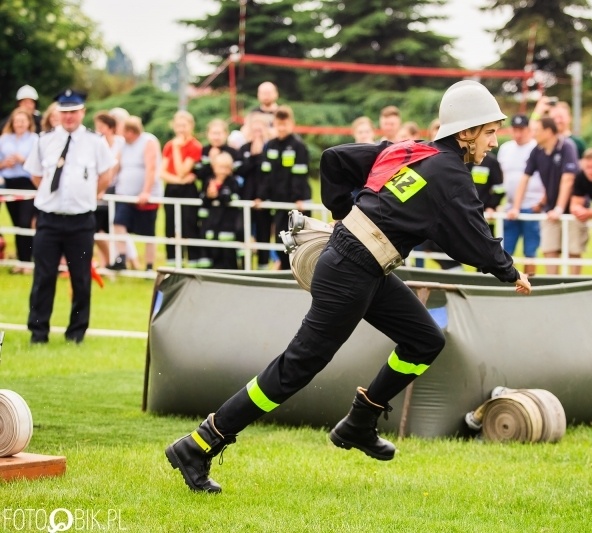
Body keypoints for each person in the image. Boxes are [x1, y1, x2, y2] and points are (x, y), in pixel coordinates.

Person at [165, 80, 532, 493]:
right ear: (465, 133)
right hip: (351, 269)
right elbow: (473, 235)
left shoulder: (410, 150)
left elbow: (335, 159)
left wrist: (346, 213)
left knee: (425, 340)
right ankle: (199, 444)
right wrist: (508, 270)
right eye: (490, 131)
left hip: (361, 264)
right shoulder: (451, 174)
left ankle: (360, 421)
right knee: (297, 367)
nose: (495, 141)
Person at [23, 89, 114, 344]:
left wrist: (86, 196)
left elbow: (106, 174)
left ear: (82, 112)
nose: (69, 117)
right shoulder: (44, 140)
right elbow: (36, 175)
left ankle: (76, 333)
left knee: (81, 278)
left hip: (81, 221)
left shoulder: (95, 142)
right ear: (58, 113)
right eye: (64, 112)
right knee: (44, 276)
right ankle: (38, 333)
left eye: (74, 112)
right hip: (49, 219)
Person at [508, 116, 585, 275]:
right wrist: (516, 207)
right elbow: (525, 178)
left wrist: (559, 208)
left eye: (537, 130)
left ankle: (575, 287)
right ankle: (553, 287)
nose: (534, 133)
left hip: (573, 209)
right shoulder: (537, 150)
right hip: (550, 208)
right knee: (550, 249)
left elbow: (568, 179)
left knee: (573, 249)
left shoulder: (567, 146)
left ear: (549, 131)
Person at [258, 105, 310, 270]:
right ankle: (284, 269)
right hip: (277, 201)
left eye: (284, 124)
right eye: (278, 124)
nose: (281, 128)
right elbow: (265, 174)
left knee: (298, 239)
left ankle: (298, 271)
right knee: (281, 238)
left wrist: (298, 198)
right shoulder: (270, 145)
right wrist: (261, 196)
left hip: (295, 203)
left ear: (291, 124)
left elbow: (300, 175)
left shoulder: (298, 146)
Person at [110, 116, 162, 271]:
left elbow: (151, 168)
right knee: (118, 223)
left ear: (131, 131)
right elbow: (115, 166)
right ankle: (121, 257)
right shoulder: (123, 145)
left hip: (145, 197)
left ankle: (149, 265)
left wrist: (146, 191)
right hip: (124, 195)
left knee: (148, 232)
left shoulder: (148, 142)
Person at [497, 113, 542, 275]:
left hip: (532, 205)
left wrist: (541, 203)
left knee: (530, 251)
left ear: (529, 129)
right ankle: (508, 281)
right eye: (515, 129)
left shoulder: (537, 148)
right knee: (506, 249)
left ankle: (530, 281)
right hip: (510, 207)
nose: (518, 133)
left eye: (521, 129)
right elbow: (501, 177)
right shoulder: (505, 148)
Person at [161, 111, 203, 267]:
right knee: (170, 224)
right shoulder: (169, 145)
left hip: (188, 190)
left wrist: (177, 149)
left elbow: (182, 169)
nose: (181, 129)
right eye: (178, 126)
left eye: (184, 126)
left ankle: (192, 259)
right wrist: (178, 180)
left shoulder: (194, 146)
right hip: (172, 188)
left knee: (189, 224)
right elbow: (162, 171)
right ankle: (172, 260)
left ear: (191, 126)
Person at [0, 108, 37, 273]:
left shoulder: (35, 139)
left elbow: (37, 164)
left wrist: (24, 161)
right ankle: (20, 261)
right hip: (9, 183)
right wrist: (4, 164)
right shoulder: (4, 139)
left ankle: (27, 261)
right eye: (17, 121)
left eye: (23, 121)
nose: (20, 124)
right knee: (16, 223)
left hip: (27, 183)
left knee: (25, 222)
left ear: (29, 122)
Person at [237, 113, 272, 269]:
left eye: (260, 129)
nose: (257, 133)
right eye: (254, 129)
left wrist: (262, 197)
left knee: (263, 233)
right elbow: (241, 170)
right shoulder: (244, 148)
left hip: (264, 200)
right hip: (245, 198)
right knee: (241, 230)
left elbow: (269, 175)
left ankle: (263, 267)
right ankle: (244, 266)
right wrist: (254, 156)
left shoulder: (271, 149)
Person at [199, 152, 243, 269]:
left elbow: (230, 198)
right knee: (212, 254)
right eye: (220, 167)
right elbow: (203, 200)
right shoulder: (209, 181)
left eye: (226, 168)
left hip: (227, 225)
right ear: (213, 167)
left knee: (228, 256)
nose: (223, 170)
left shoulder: (233, 181)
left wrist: (217, 194)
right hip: (211, 225)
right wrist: (208, 195)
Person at [92, 111, 124, 270]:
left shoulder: (120, 143)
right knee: (97, 229)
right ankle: (106, 261)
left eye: (101, 127)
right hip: (99, 189)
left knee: (113, 227)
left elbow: (114, 167)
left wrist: (103, 186)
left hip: (115, 190)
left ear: (111, 128)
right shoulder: (96, 144)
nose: (98, 130)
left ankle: (123, 261)